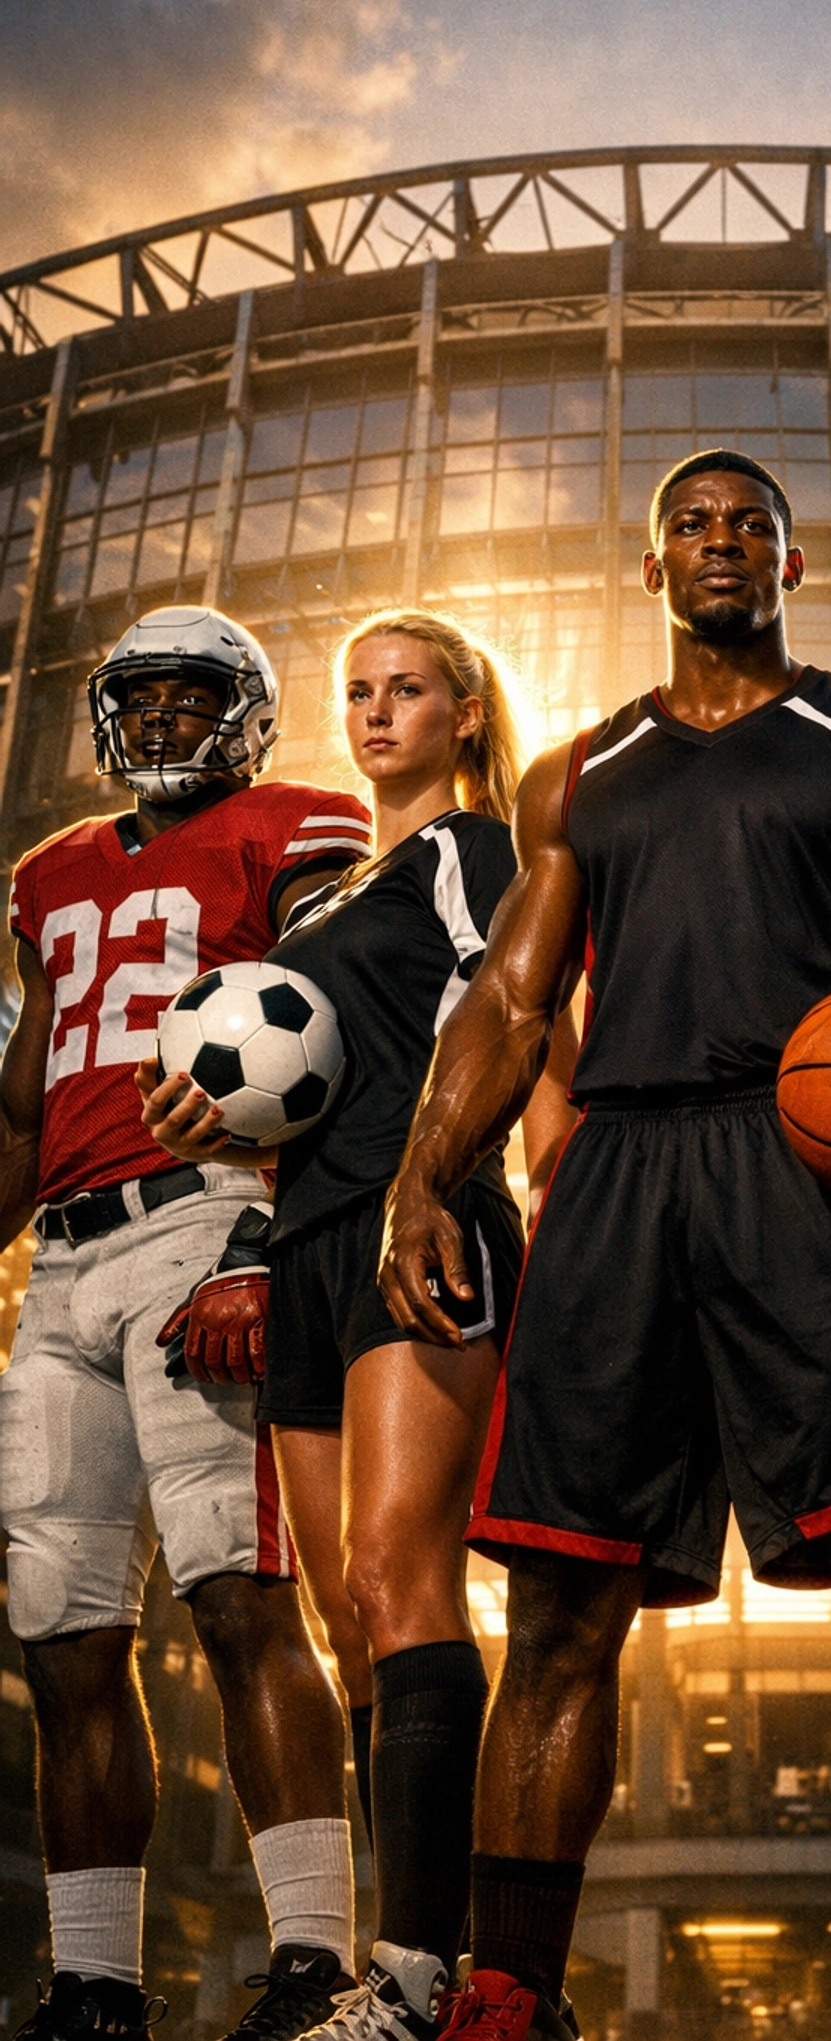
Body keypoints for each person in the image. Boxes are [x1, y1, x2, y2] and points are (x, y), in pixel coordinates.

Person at [375, 448, 831, 2041]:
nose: (723, 544)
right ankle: (510, 1988)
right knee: (558, 1607)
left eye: (752, 527)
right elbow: (510, 1001)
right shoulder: (577, 774)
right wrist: (424, 1174)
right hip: (621, 1175)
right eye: (693, 527)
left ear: (791, 562)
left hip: (809, 1164)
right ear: (652, 572)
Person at [138, 611, 578, 2041]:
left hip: (427, 1225)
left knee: (403, 1582)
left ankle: (419, 1976)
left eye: (409, 690)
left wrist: (462, 1188)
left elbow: (516, 1023)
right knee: (348, 1622)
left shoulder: (478, 852)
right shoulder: (319, 909)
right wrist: (217, 1134)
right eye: (359, 694)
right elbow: (291, 1091)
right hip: (312, 1246)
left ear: (464, 712)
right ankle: (426, 1965)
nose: (378, 713)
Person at [0, 606, 373, 2041]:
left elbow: (349, 1026)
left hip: (204, 1217)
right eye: (137, 695)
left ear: (248, 709)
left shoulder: (302, 823)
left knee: (237, 1596)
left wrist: (274, 1242)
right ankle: (94, 1982)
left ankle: (312, 1959)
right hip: (62, 1263)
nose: (160, 717)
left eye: (190, 692)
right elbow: (27, 1109)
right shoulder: (51, 876)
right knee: (65, 1639)